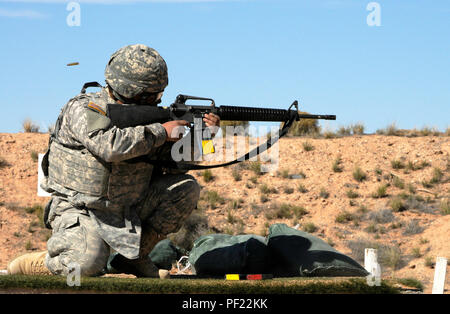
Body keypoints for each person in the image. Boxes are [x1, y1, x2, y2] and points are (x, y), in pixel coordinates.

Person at [7, 44, 220, 278]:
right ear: (130, 90)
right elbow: (109, 146)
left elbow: (179, 161)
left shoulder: (152, 121)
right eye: (151, 96)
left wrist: (204, 137)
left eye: (158, 95)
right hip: (80, 207)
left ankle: (134, 259)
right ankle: (43, 263)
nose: (156, 101)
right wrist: (161, 132)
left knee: (186, 188)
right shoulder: (84, 108)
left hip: (128, 207)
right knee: (85, 266)